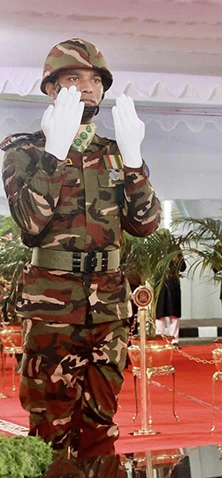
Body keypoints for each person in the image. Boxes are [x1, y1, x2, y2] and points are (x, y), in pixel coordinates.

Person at [1, 38, 161, 457]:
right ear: (52, 88)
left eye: (96, 80)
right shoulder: (24, 151)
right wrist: (55, 153)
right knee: (51, 424)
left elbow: (145, 224)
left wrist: (133, 160)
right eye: (74, 77)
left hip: (108, 306)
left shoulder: (113, 153)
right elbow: (31, 221)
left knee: (101, 424)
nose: (88, 87)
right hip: (52, 306)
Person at [155, 252, 186, 344]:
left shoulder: (176, 251)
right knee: (160, 314)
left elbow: (183, 268)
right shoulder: (156, 249)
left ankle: (174, 340)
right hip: (160, 285)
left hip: (173, 285)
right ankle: (161, 340)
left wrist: (177, 260)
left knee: (174, 314)